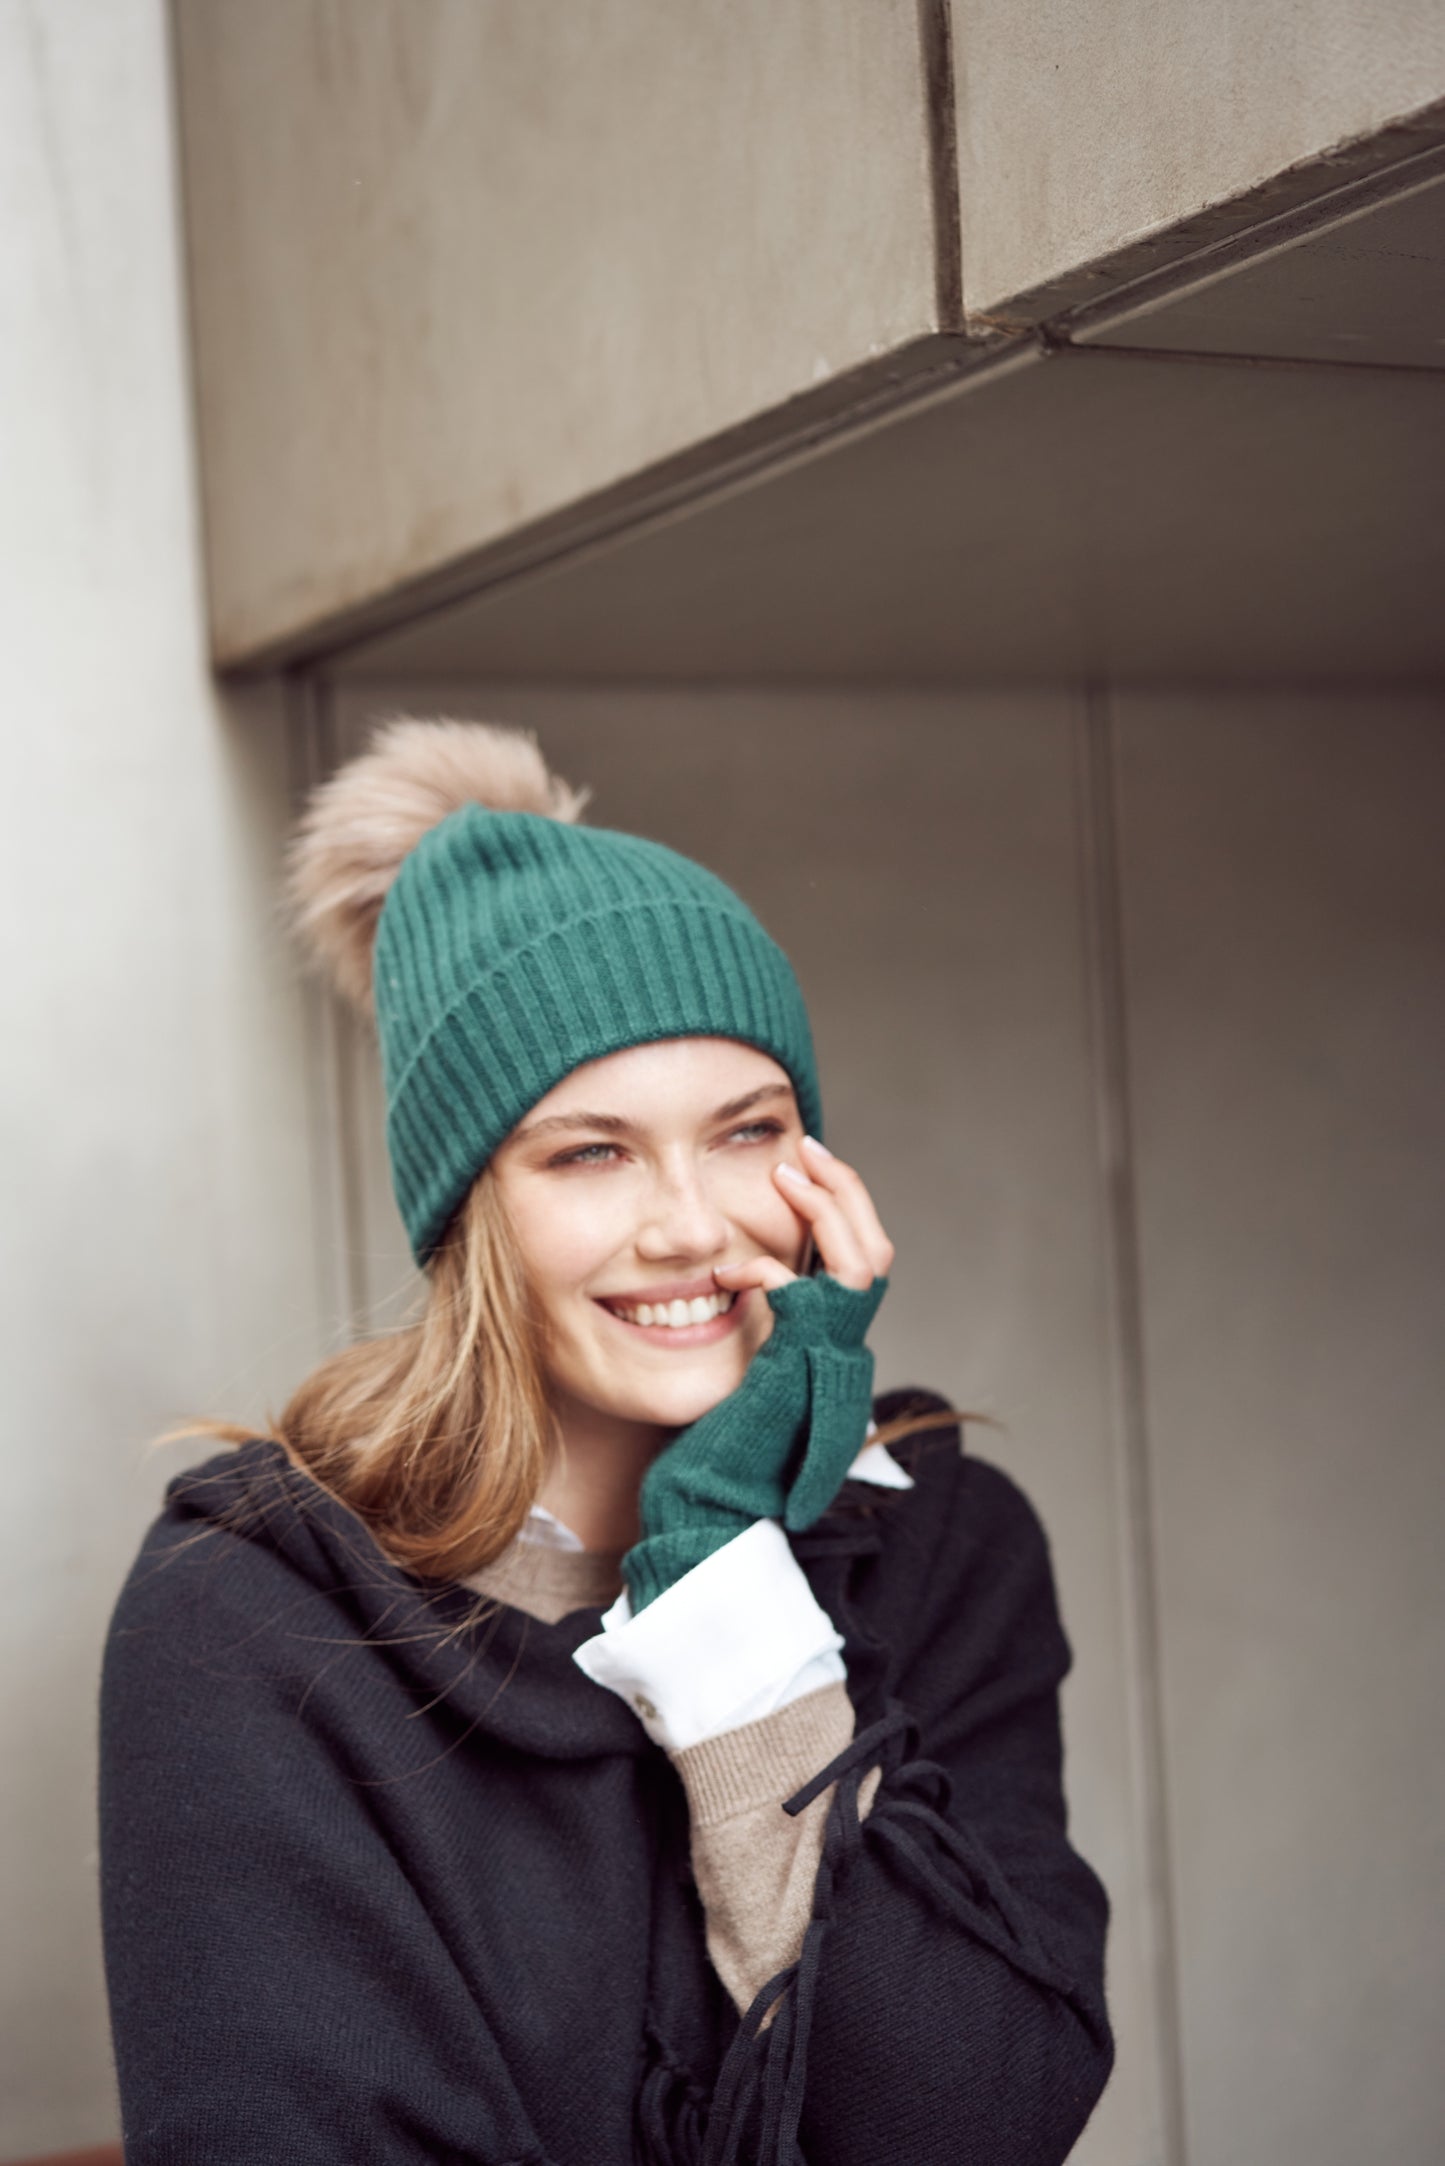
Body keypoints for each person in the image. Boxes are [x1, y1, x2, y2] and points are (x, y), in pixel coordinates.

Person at [98, 717, 1114, 2165]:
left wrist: (715, 1570)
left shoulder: (943, 1539)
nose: (690, 1223)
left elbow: (968, 2119)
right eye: (589, 1152)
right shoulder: (258, 1608)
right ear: (469, 1210)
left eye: (746, 1130)